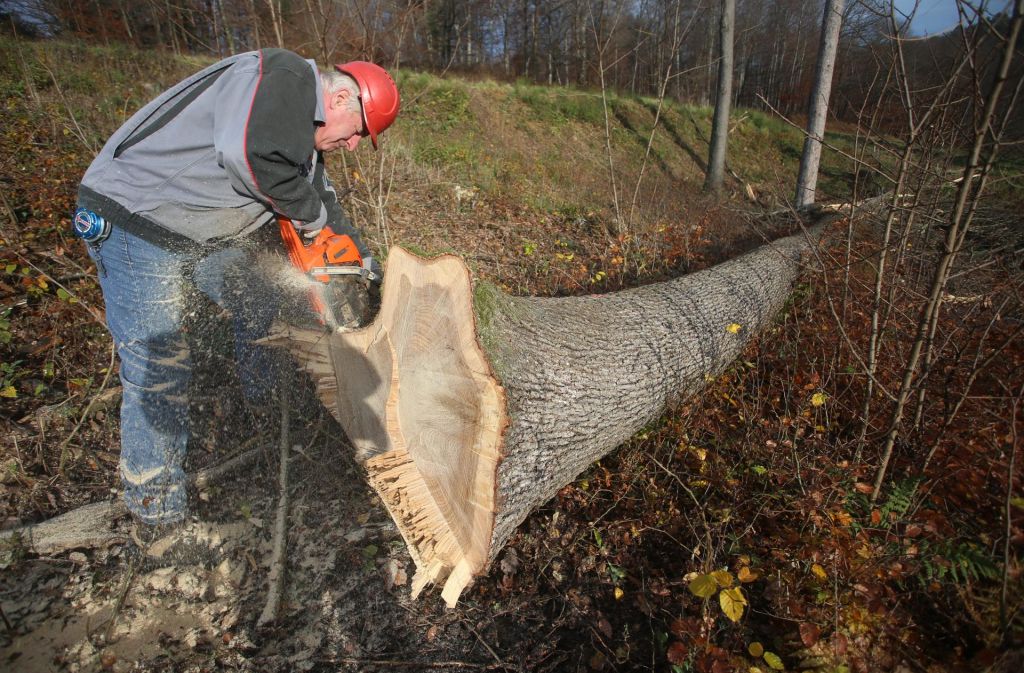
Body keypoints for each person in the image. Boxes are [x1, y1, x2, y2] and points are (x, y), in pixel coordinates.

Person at [74, 48, 399, 528]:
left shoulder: (302, 144)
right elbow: (248, 154)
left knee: (262, 299)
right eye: (358, 132)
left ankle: (263, 417)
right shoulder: (284, 77)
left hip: (195, 233)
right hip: (134, 220)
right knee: (158, 363)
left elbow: (326, 208)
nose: (353, 146)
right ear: (341, 96)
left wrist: (363, 264)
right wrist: (308, 219)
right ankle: (156, 518)